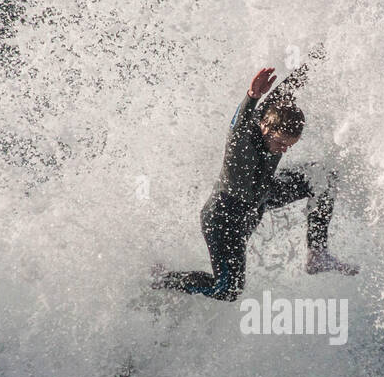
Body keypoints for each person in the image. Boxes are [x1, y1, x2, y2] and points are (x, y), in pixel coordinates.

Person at [151, 56, 358, 301]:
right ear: (265, 128)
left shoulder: (275, 117)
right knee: (227, 290)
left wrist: (325, 53)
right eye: (280, 143)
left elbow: (288, 88)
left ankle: (317, 253)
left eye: (289, 146)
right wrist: (251, 96)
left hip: (262, 197)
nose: (283, 150)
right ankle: (162, 279)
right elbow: (236, 124)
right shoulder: (244, 140)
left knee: (323, 178)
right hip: (225, 220)